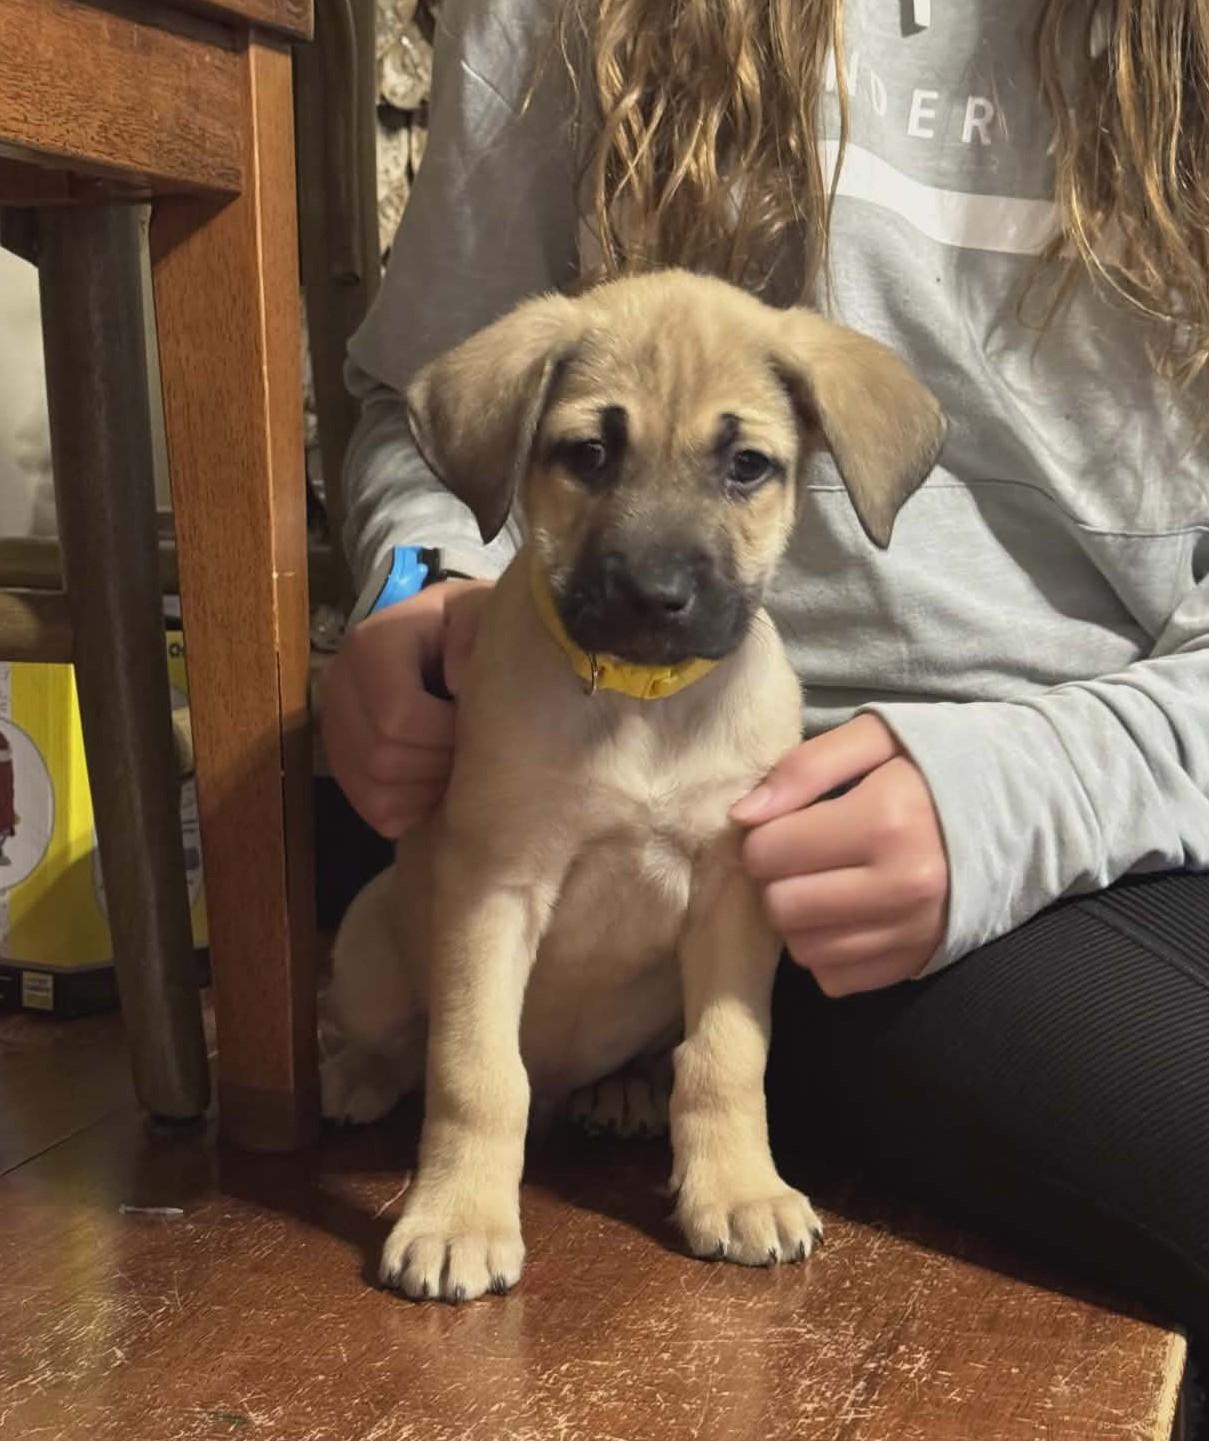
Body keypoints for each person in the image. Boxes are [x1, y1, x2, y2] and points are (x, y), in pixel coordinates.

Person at [322, 0, 1209, 1423]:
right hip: (556, 759)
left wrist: (1032, 786)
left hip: (1104, 802)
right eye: (595, 457)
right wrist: (415, 581)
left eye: (742, 469)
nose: (662, 553)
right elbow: (425, 404)